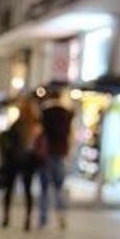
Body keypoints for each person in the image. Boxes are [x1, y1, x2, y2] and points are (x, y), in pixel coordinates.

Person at [0, 95, 45, 231]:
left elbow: (8, 142)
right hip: (29, 162)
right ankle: (27, 219)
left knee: (9, 189)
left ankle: (6, 217)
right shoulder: (36, 125)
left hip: (14, 160)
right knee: (27, 190)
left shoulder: (17, 125)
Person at [38, 85, 74, 229]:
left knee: (44, 188)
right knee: (59, 187)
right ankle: (61, 215)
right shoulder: (66, 113)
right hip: (60, 153)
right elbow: (68, 134)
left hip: (46, 153)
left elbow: (41, 133)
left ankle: (43, 218)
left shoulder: (45, 112)